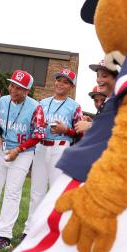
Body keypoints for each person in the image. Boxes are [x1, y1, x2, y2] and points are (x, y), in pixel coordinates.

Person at [0, 70, 46, 250]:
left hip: (23, 152)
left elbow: (39, 134)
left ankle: (4, 235)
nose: (13, 89)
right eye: (12, 85)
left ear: (27, 91)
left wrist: (19, 149)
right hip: (3, 148)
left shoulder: (35, 107)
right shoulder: (4, 100)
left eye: (19, 87)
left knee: (12, 192)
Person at [21, 69, 82, 239]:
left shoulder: (74, 106)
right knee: (36, 191)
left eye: (65, 82)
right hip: (41, 147)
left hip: (60, 147)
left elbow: (79, 133)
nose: (60, 84)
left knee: (56, 192)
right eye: (58, 80)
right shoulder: (42, 103)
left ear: (71, 86)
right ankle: (29, 230)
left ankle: (53, 231)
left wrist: (66, 130)